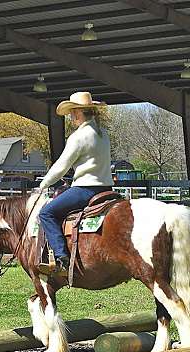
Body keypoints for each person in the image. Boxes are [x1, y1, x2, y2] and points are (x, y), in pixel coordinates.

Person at [37, 92, 113, 276]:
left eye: (72, 112)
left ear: (78, 112)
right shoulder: (103, 134)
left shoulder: (79, 137)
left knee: (46, 213)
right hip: (107, 189)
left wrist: (43, 184)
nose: (71, 117)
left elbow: (61, 167)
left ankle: (62, 259)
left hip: (85, 190)